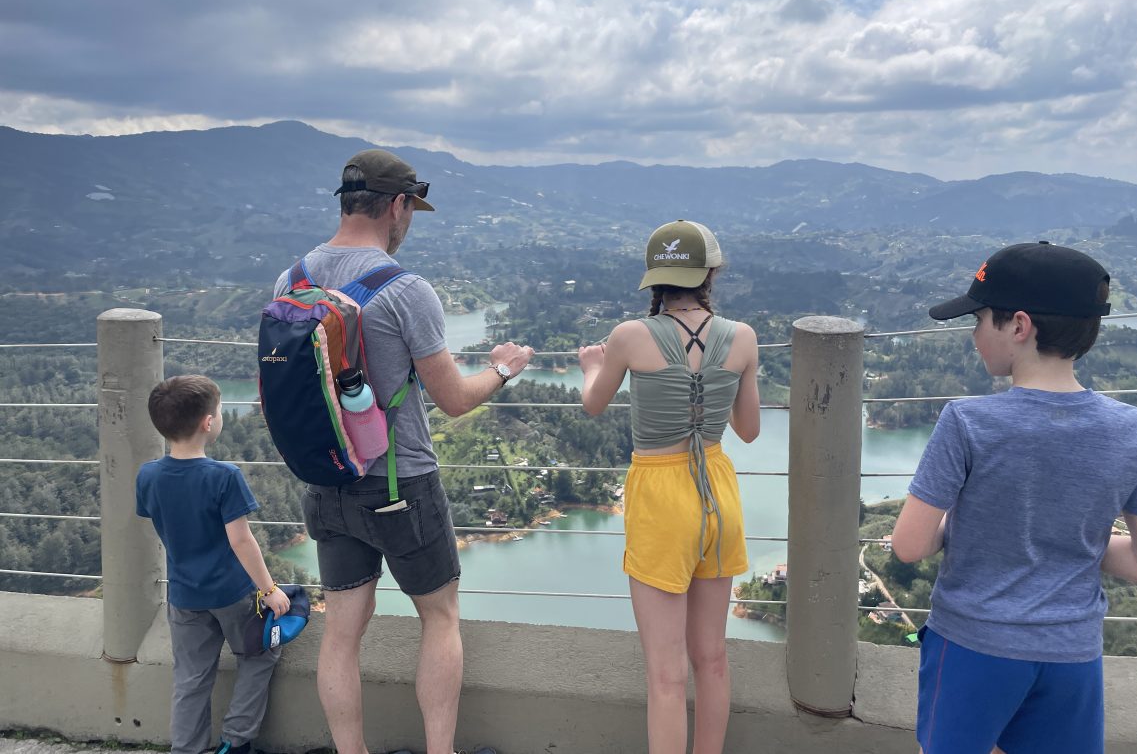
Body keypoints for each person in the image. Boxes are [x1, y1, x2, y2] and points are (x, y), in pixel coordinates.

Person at [275, 149, 532, 754]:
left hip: (326, 480)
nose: (410, 220)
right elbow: (453, 399)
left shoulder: (293, 280)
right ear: (397, 205)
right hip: (400, 483)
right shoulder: (405, 289)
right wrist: (502, 369)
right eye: (411, 209)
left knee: (342, 632)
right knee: (439, 618)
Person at [892, 242, 1137, 754]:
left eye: (980, 318)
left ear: (1019, 326)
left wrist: (962, 530)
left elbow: (910, 546)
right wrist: (1080, 542)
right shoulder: (1131, 431)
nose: (974, 333)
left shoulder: (968, 422)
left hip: (972, 646)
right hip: (1072, 654)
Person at [578, 219, 760, 754]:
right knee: (713, 658)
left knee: (665, 674)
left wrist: (591, 364)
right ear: (709, 273)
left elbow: (593, 404)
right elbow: (748, 430)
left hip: (661, 496)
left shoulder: (631, 336)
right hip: (718, 493)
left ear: (654, 280)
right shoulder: (743, 337)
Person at [136, 374, 292, 754]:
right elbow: (241, 540)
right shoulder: (224, 476)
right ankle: (236, 742)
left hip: (185, 595)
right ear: (209, 423)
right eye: (220, 412)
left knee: (190, 678)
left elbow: (162, 524)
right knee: (259, 655)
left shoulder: (148, 475)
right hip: (233, 594)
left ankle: (186, 748)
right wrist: (270, 590)